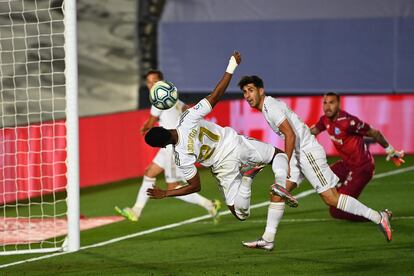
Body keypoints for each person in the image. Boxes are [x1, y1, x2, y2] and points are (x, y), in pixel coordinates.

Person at [144, 52, 298, 251]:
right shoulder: (187, 118)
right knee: (278, 155)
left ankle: (247, 179)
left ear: (163, 145)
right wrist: (231, 66)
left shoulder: (180, 156)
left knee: (240, 213)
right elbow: (215, 95)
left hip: (222, 166)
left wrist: (165, 193)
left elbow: (195, 186)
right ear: (165, 128)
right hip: (235, 142)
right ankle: (279, 182)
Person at [237, 75, 393, 246]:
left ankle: (379, 217)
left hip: (307, 153)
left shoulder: (271, 107)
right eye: (244, 92)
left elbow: (290, 134)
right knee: (277, 193)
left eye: (251, 90)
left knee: (332, 199)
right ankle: (268, 239)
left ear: (261, 91)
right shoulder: (268, 107)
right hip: (299, 154)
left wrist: (286, 163)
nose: (247, 95)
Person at [115, 69, 221, 223]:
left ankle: (209, 204)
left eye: (155, 81)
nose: (152, 85)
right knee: (150, 172)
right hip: (169, 144)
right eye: (149, 82)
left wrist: (145, 127)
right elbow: (186, 110)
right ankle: (136, 210)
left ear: (162, 82)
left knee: (173, 187)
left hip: (172, 146)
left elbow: (151, 121)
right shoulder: (173, 99)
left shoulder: (159, 99)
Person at [309, 92, 404, 221]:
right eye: (325, 103)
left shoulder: (349, 122)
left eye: (332, 102)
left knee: (337, 211)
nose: (327, 107)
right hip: (347, 164)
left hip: (362, 168)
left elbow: (375, 133)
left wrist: (391, 151)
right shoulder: (325, 120)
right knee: (322, 177)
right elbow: (313, 131)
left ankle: (379, 216)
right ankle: (343, 192)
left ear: (339, 104)